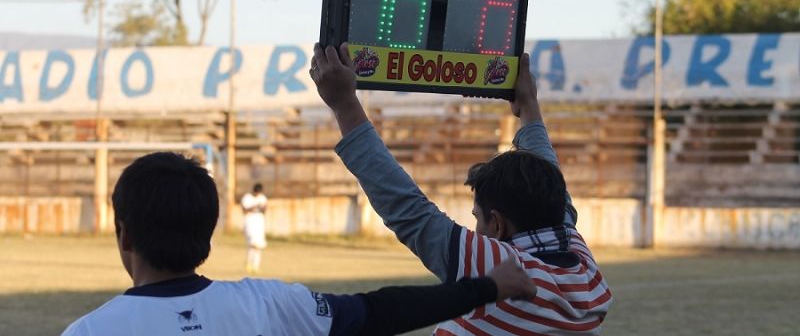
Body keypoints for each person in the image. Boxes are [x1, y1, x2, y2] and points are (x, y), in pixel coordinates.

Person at [310, 43, 613, 335]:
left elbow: (409, 211)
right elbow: (553, 187)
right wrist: (529, 106)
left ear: (497, 224)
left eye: (478, 217)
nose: (476, 228)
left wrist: (345, 104)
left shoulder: (505, 272)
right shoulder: (584, 270)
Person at [62, 151, 536, 336]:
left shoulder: (87, 332)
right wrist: (486, 287)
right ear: (208, 230)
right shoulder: (268, 304)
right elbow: (380, 311)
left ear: (121, 231)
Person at [241, 182, 268, 273]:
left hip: (259, 223)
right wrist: (254, 206)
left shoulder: (263, 198)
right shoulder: (247, 198)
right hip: (250, 223)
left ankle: (255, 265)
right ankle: (249, 263)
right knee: (253, 244)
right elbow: (244, 210)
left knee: (258, 246)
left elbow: (264, 210)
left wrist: (263, 207)